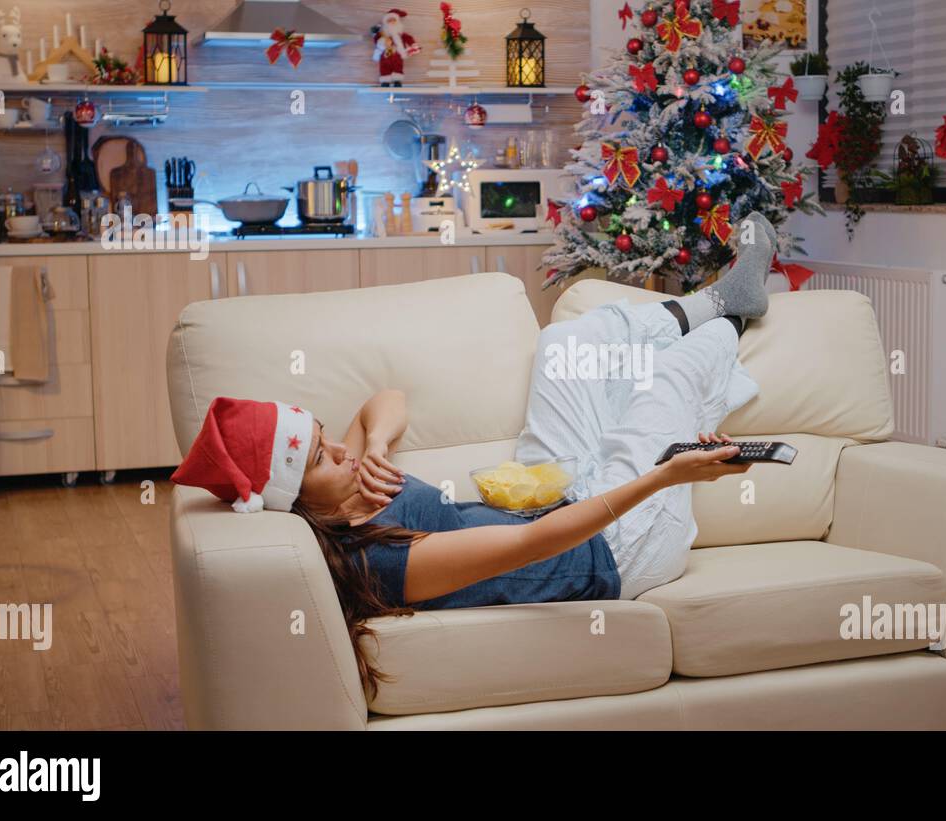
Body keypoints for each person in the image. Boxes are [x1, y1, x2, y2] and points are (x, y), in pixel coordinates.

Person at [172, 212, 780, 696]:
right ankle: (733, 313)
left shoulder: (345, 486)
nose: (340, 450)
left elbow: (383, 401)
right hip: (615, 548)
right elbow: (530, 546)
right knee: (668, 381)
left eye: (326, 437)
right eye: (321, 459)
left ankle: (719, 300)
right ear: (293, 503)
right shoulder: (378, 562)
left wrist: (376, 441)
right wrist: (665, 476)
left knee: (565, 345)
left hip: (558, 499)